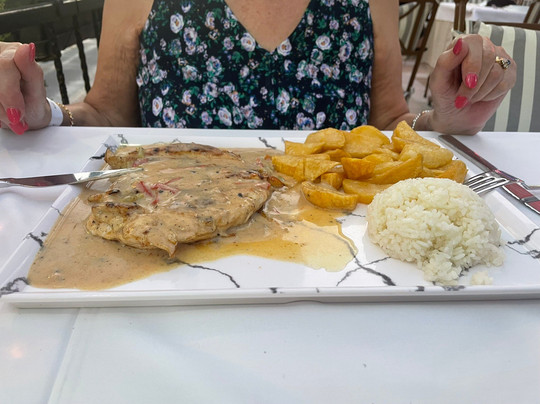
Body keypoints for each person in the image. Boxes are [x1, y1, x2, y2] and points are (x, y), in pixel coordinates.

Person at [0, 0, 516, 136]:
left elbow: (388, 124)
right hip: (177, 252)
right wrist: (42, 112)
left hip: (336, 260)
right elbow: (104, 115)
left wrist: (442, 120)